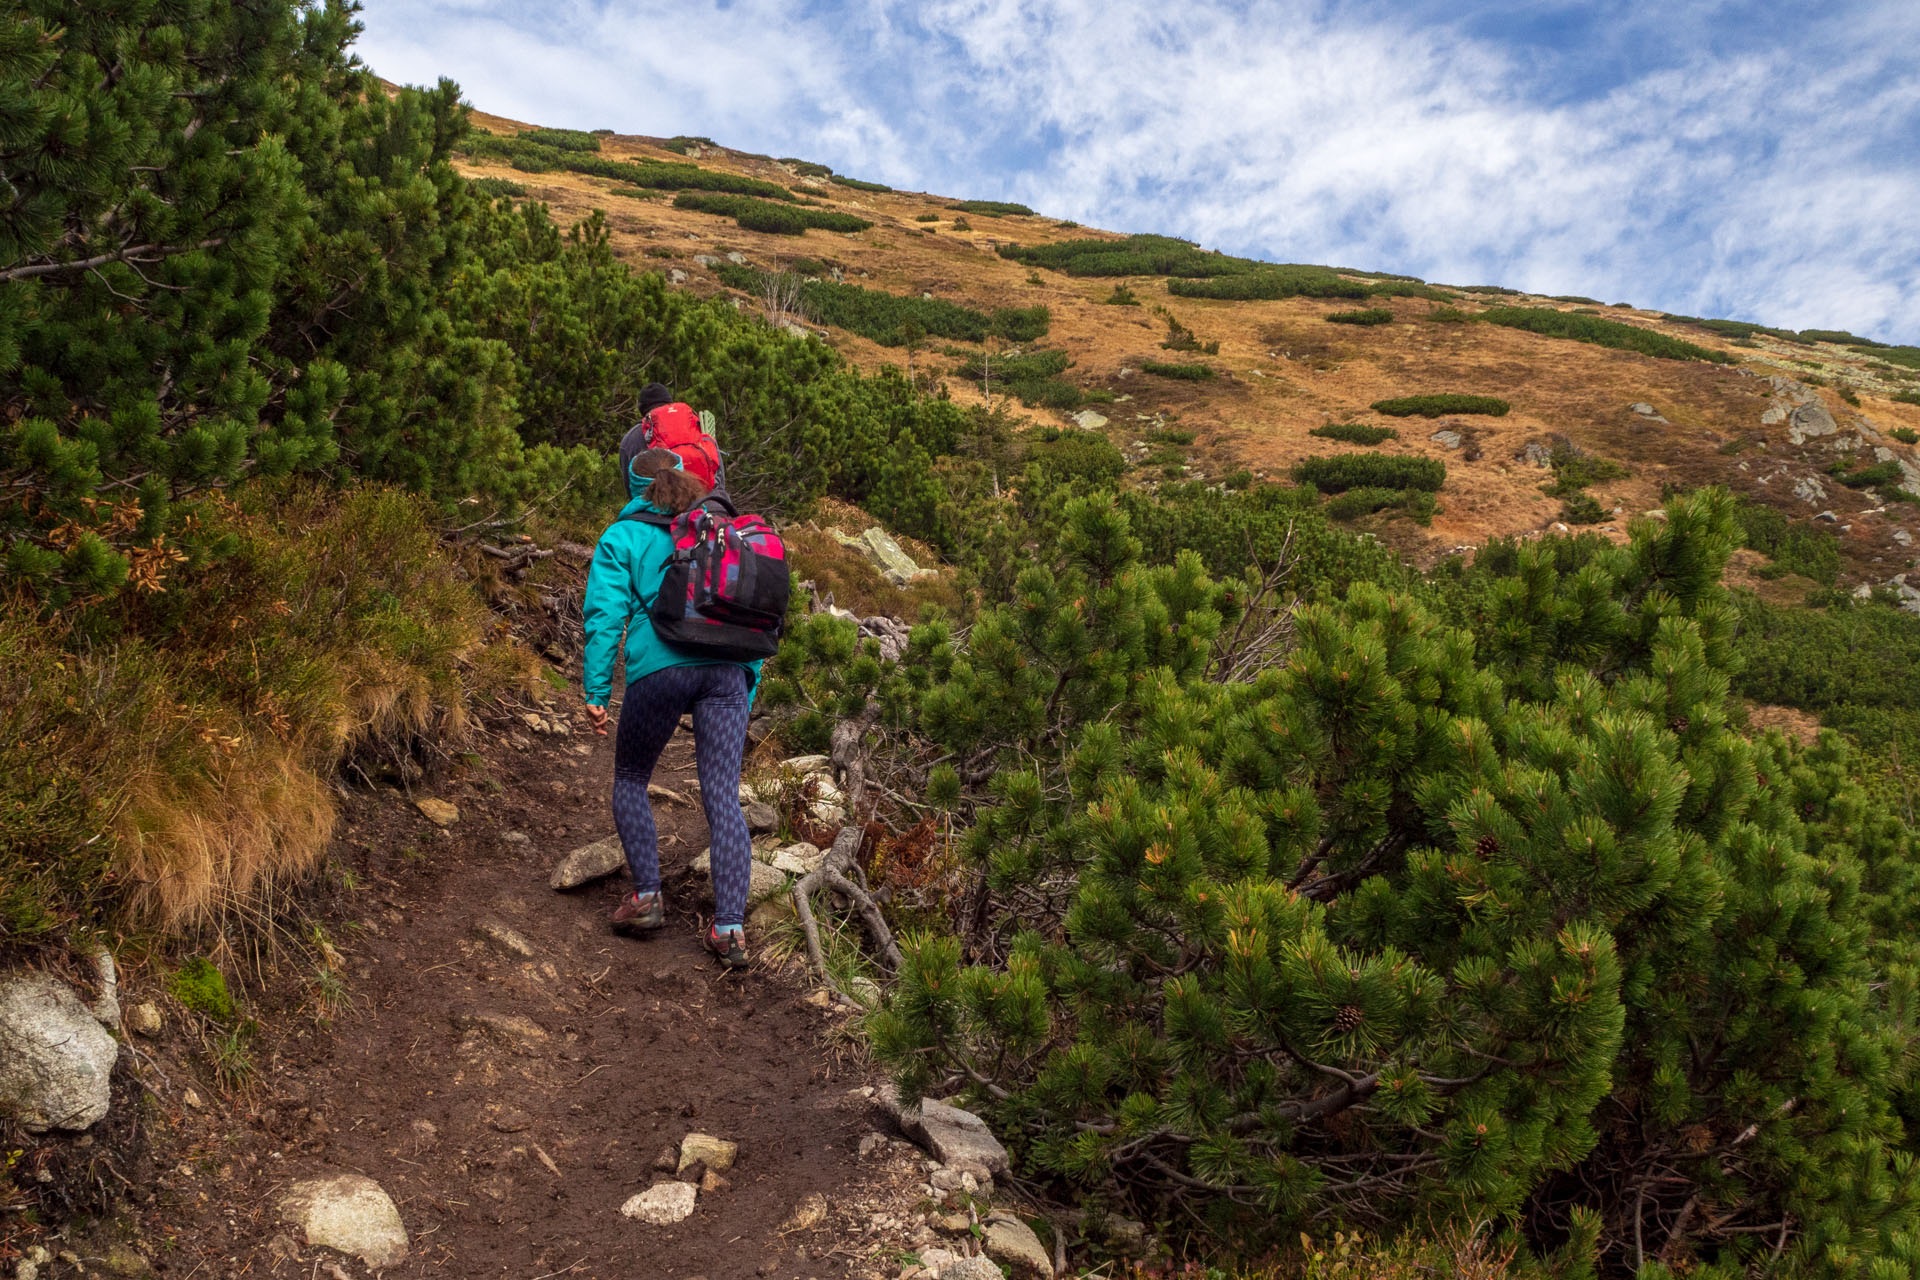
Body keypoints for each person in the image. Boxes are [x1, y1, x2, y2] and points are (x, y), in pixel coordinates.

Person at [582, 448, 761, 967]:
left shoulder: (623, 536)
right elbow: (756, 612)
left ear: (636, 486)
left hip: (659, 671)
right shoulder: (722, 531)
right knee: (723, 795)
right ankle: (729, 929)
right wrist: (745, 688)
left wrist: (596, 693)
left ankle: (646, 898)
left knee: (632, 776)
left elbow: (604, 616)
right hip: (728, 672)